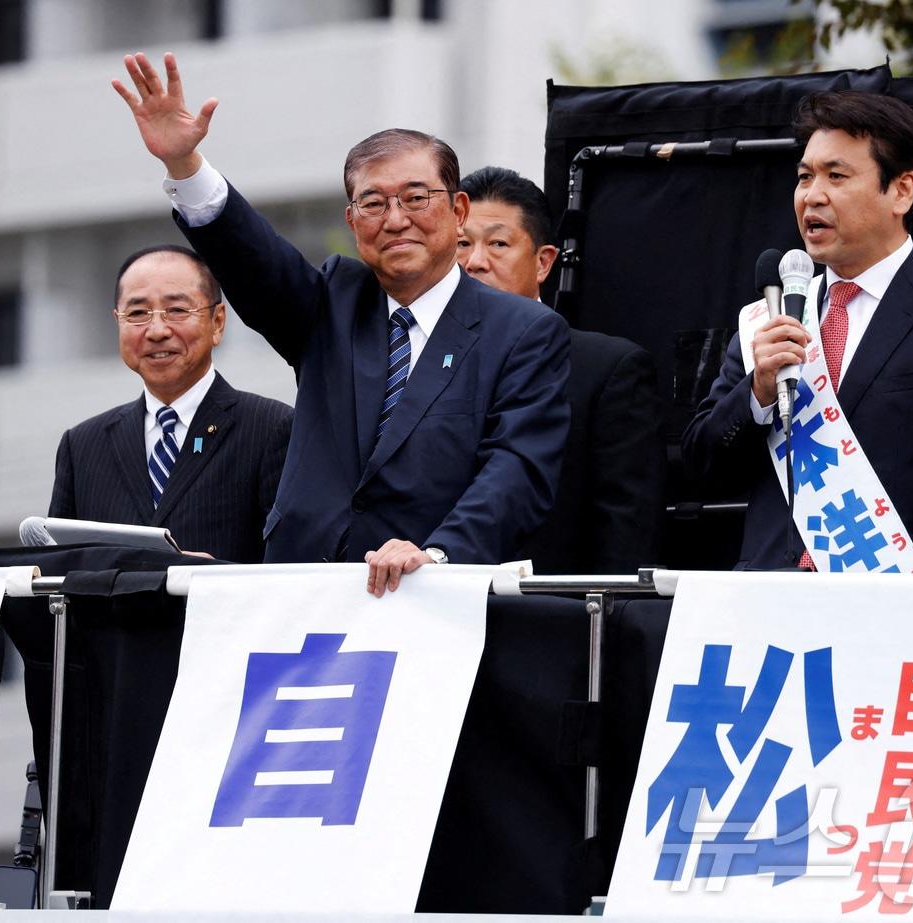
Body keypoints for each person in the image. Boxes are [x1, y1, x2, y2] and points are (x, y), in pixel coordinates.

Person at [112, 52, 570, 595]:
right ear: (352, 221)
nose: (396, 219)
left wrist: (439, 554)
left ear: (459, 210)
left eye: (416, 198)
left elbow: (516, 469)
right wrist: (186, 166)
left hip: (433, 601)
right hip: (303, 593)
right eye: (373, 203)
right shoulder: (334, 301)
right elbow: (256, 262)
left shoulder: (521, 331)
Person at [681, 91, 913, 573]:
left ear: (902, 191)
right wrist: (759, 392)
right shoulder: (770, 317)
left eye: (837, 175)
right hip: (767, 613)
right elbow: (703, 468)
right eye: (804, 176)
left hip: (897, 613)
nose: (813, 195)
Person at [457, 166, 664, 574]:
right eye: (461, 244)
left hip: (552, 619)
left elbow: (625, 543)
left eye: (498, 243)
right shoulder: (413, 363)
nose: (474, 262)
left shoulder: (608, 370)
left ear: (543, 262)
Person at [48, 245, 293, 563]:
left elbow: (292, 566)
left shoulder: (272, 428)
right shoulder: (81, 446)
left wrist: (211, 576)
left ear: (217, 322)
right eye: (137, 314)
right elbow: (57, 569)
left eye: (177, 310)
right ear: (117, 322)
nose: (158, 331)